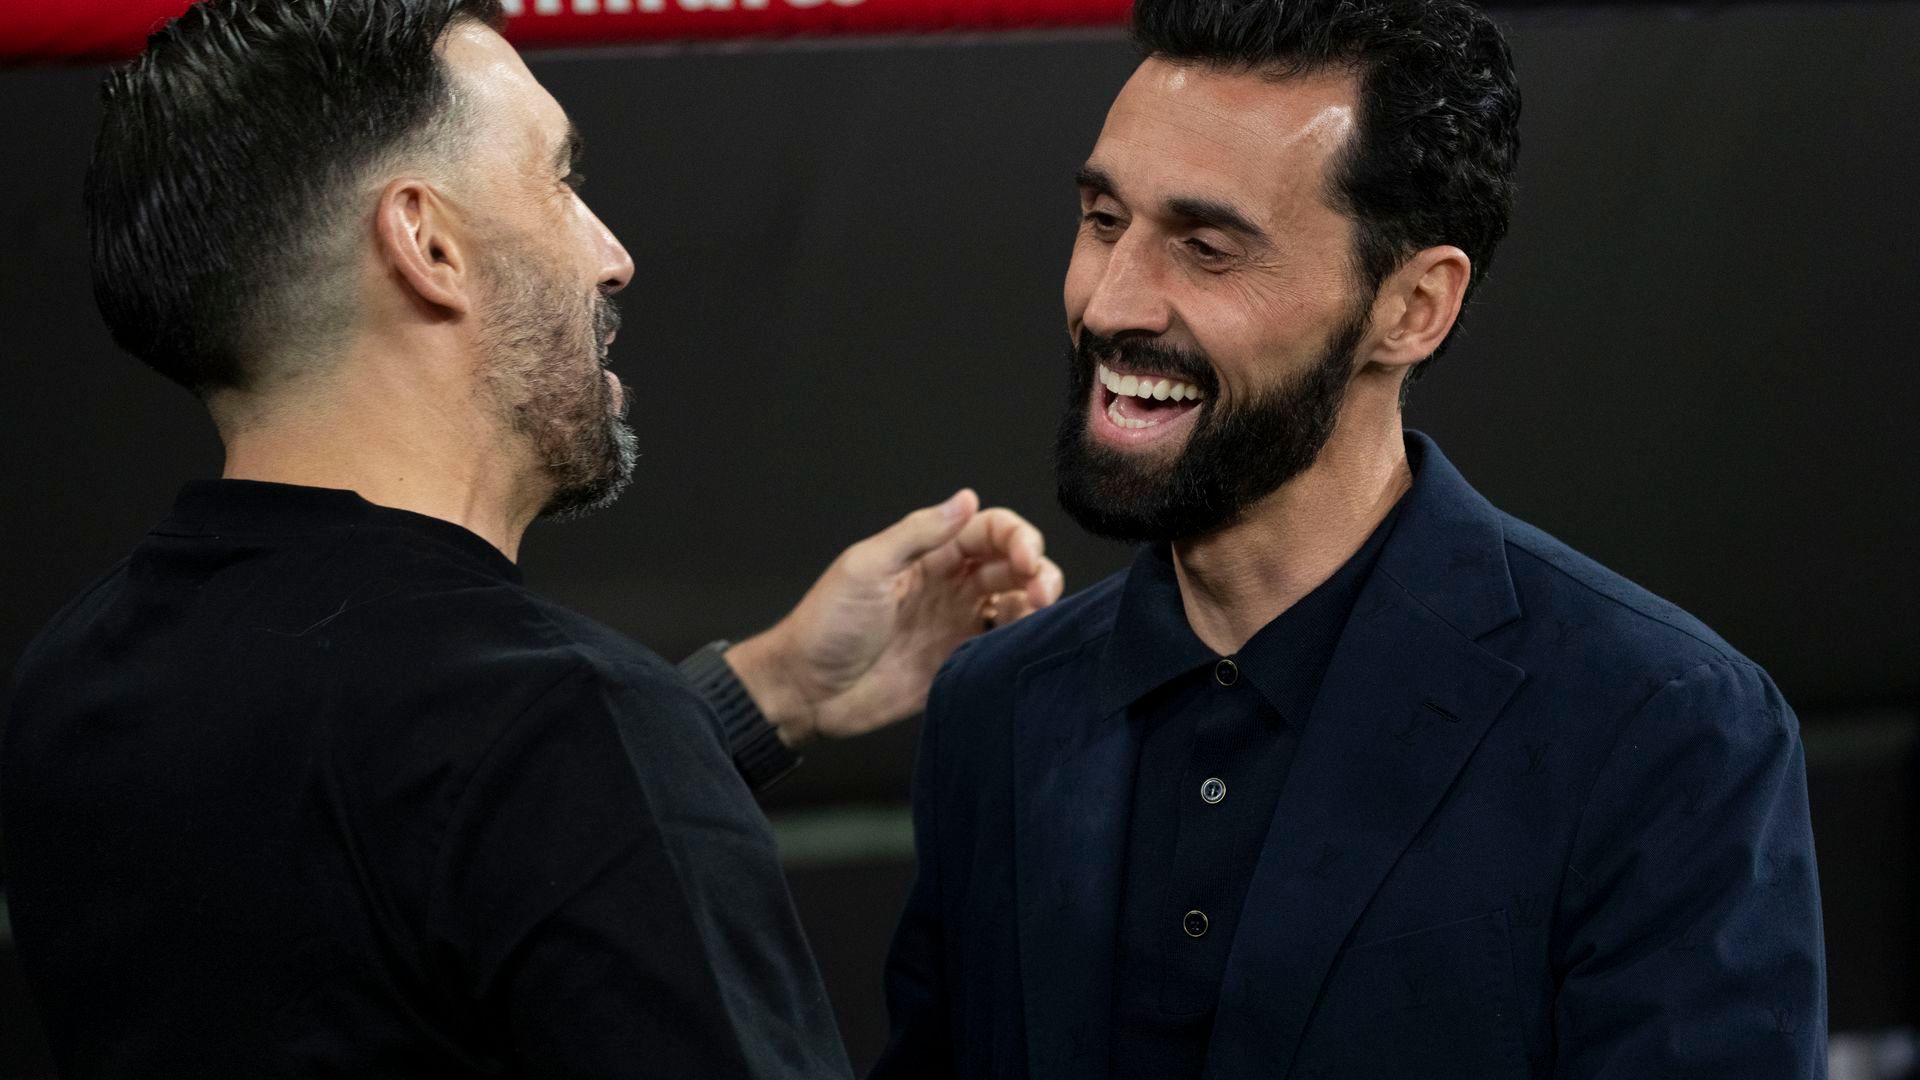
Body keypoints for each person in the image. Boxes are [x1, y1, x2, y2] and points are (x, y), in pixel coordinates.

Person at [0, 1, 1064, 1076]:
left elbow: (382, 856)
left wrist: (765, 693)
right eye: (560, 180)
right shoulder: (566, 728)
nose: (614, 256)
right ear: (428, 242)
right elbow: (481, 788)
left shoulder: (74, 680)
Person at [873, 1, 1826, 1077]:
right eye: (1102, 219)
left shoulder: (1659, 730)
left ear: (1414, 306)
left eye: (1207, 247)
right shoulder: (994, 711)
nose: (1109, 301)